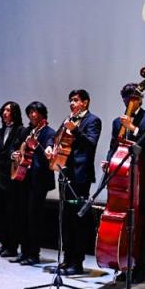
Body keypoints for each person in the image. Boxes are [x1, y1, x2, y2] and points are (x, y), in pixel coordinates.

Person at [102, 82, 145, 284]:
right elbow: (114, 147)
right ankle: (124, 264)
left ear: (141, 99)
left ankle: (140, 268)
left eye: (134, 97)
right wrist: (108, 162)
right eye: (127, 98)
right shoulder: (116, 122)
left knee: (141, 224)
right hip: (123, 178)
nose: (130, 101)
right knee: (124, 224)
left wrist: (134, 129)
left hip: (144, 177)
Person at [45, 89, 101, 275]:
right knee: (66, 219)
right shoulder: (67, 120)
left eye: (76, 100)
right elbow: (58, 141)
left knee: (78, 220)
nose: (72, 103)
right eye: (70, 100)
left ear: (85, 102)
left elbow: (90, 144)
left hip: (80, 176)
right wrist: (51, 149)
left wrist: (75, 129)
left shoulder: (92, 121)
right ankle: (67, 260)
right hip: (64, 171)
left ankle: (77, 263)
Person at [11, 101, 56, 265]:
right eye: (30, 112)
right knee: (22, 215)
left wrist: (45, 147)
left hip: (39, 180)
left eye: (35, 112)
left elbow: (50, 145)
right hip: (23, 177)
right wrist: (15, 155)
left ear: (43, 114)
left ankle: (33, 254)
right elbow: (15, 147)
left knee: (34, 217)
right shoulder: (25, 131)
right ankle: (23, 252)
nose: (32, 115)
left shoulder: (49, 132)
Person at [0, 102, 24, 258]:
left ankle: (12, 246)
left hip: (14, 177)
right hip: (1, 177)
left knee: (13, 213)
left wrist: (13, 155)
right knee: (1, 212)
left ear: (15, 113)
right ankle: (3, 244)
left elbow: (18, 149)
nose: (5, 112)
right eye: (4, 109)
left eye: (9, 110)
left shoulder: (21, 131)